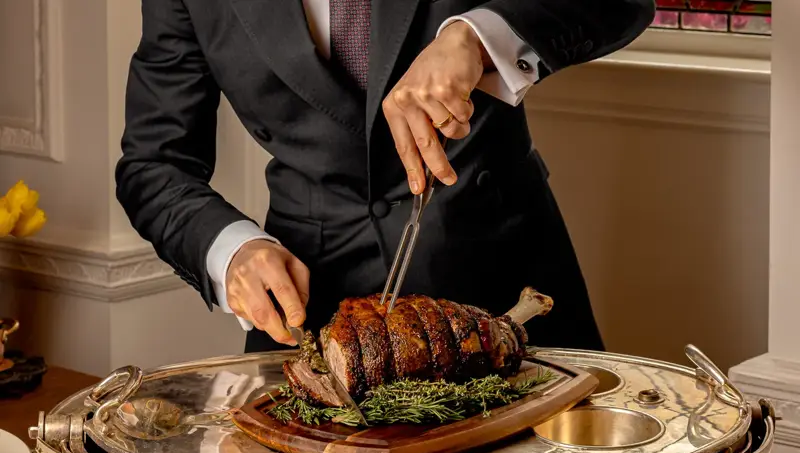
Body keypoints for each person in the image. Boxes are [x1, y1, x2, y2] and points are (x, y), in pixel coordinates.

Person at [116, 0, 655, 354]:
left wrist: (475, 36)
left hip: (509, 293)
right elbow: (153, 163)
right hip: (314, 326)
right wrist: (230, 250)